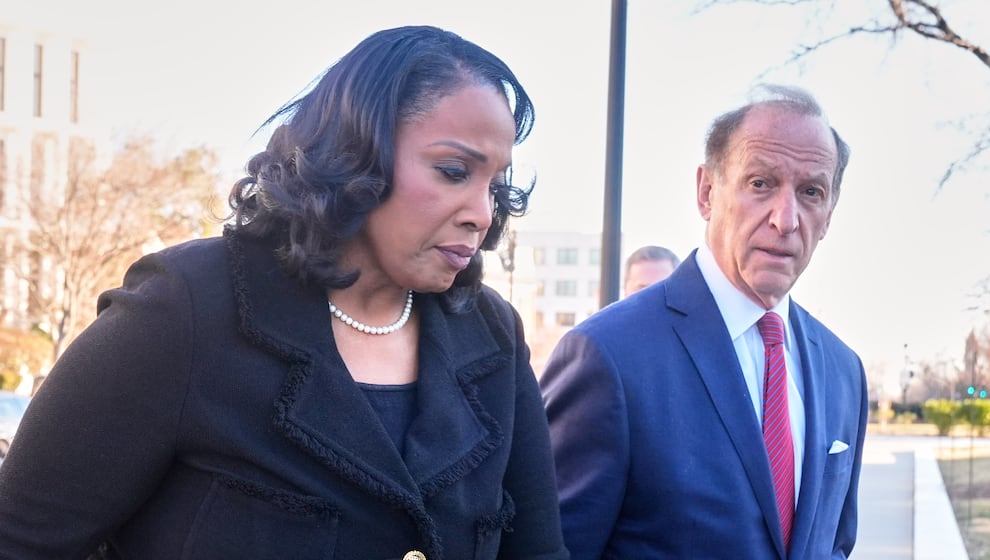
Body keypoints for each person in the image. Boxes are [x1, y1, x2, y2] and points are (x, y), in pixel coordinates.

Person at [0, 25, 569, 560]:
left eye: (496, 184)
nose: (481, 213)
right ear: (357, 151)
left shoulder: (493, 334)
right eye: (453, 171)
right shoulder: (188, 307)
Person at [540, 84, 868, 559]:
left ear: (829, 215)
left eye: (811, 192)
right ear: (707, 192)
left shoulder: (844, 371)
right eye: (761, 183)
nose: (786, 219)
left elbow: (835, 545)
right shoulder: (608, 355)